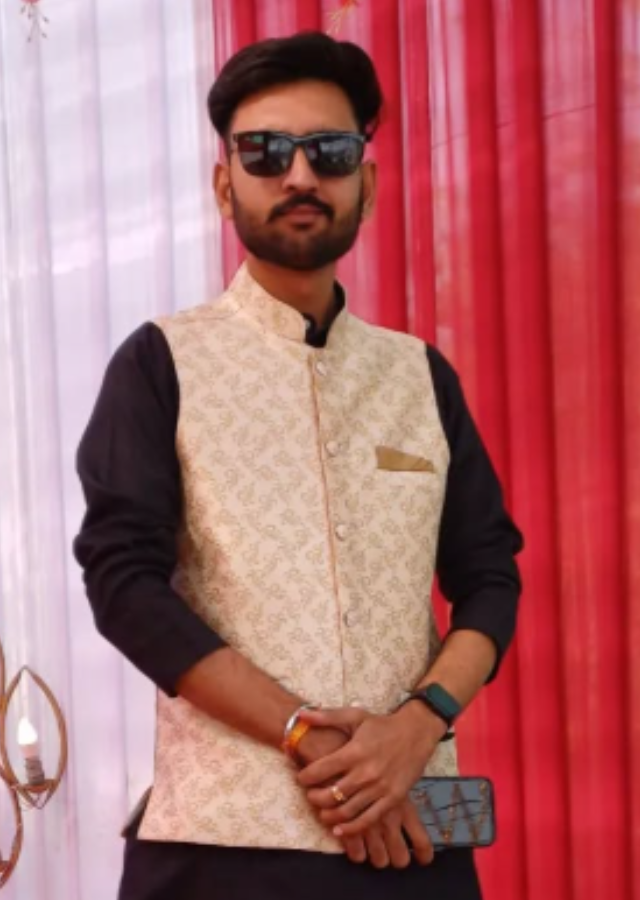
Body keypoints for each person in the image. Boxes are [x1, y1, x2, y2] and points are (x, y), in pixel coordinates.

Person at [74, 31, 523, 900]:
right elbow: (123, 586)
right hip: (220, 852)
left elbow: (490, 577)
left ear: (368, 183)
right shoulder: (161, 363)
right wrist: (302, 734)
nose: (300, 175)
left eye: (331, 151)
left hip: (416, 842)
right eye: (266, 152)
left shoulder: (420, 376)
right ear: (224, 184)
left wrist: (417, 727)